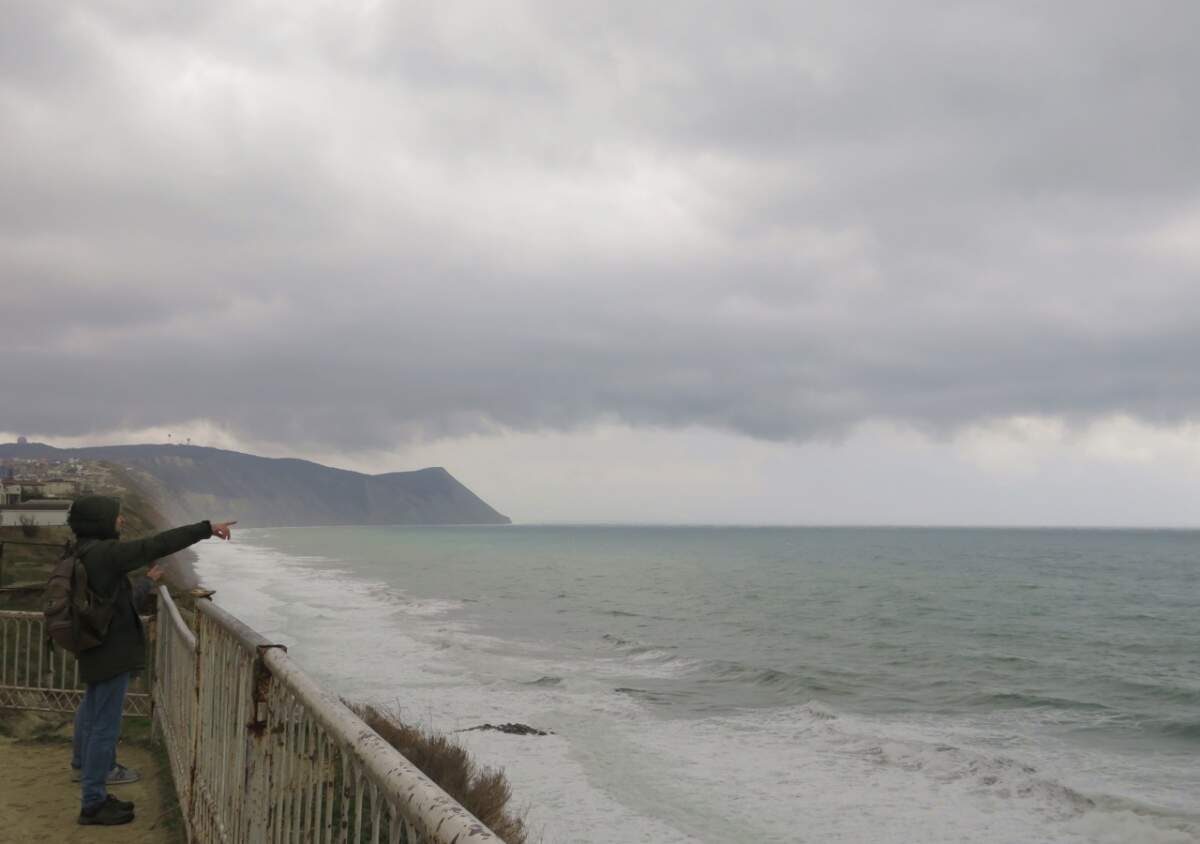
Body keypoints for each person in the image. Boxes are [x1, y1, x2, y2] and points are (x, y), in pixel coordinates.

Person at [65, 495, 235, 826]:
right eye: (116, 517)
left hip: (96, 646)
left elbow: (118, 598)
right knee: (104, 726)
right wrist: (205, 528)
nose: (122, 521)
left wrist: (145, 583)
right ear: (100, 520)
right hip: (110, 651)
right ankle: (93, 802)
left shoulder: (84, 550)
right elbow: (155, 544)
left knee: (92, 712)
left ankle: (84, 774)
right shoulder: (105, 554)